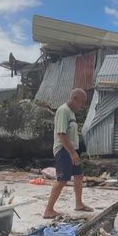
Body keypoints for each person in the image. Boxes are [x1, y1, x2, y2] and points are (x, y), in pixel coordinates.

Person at [43, 88, 94, 219]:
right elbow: (61, 134)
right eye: (81, 103)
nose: (82, 106)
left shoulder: (71, 112)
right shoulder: (63, 110)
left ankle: (79, 203)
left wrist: (74, 151)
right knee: (62, 180)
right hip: (63, 150)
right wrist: (72, 153)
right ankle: (48, 210)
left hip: (71, 149)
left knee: (78, 175)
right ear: (74, 98)